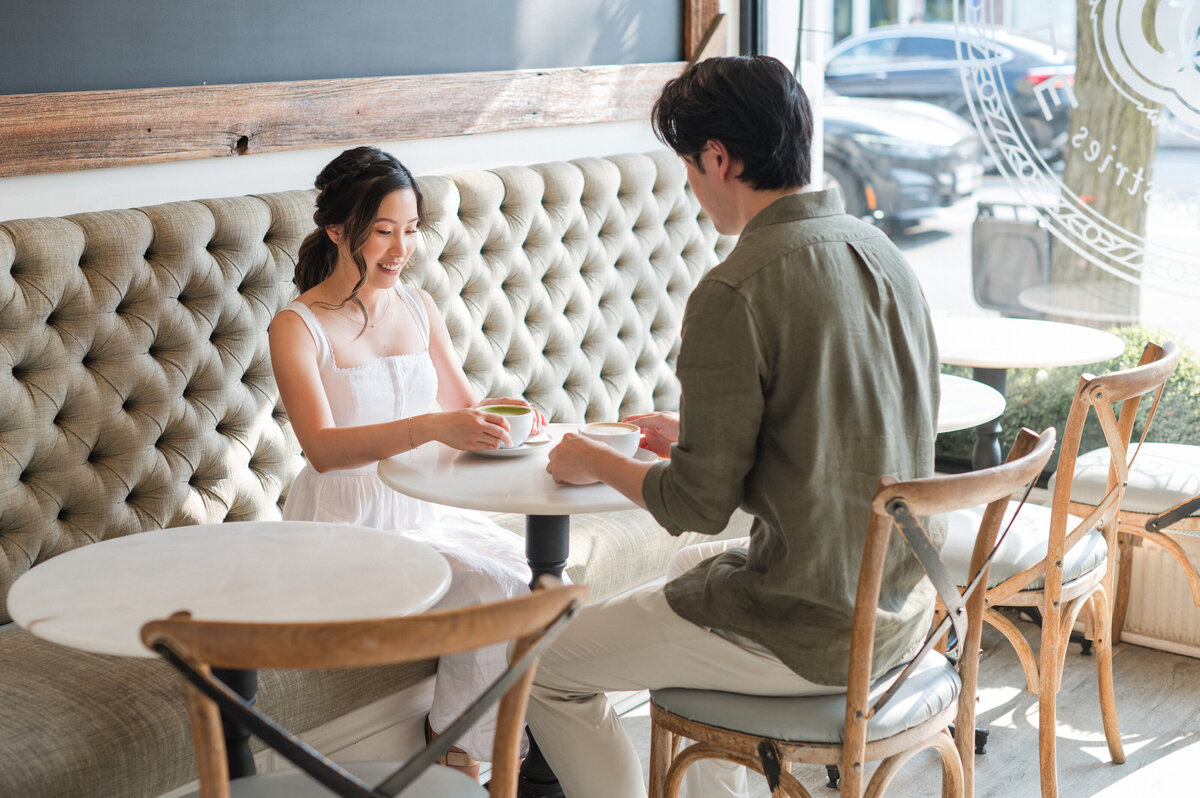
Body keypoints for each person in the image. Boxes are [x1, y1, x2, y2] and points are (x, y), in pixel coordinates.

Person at [526, 56, 941, 798]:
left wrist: (596, 458)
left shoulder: (735, 288)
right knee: (690, 578)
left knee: (544, 665)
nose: (692, 183)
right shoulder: (882, 254)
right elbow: (841, 431)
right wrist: (696, 432)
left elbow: (694, 507)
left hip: (811, 631)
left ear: (718, 158)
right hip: (902, 610)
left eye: (689, 164)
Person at [269, 146, 540, 780]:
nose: (401, 248)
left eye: (412, 230)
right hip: (344, 530)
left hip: (423, 515)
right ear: (338, 231)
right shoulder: (298, 326)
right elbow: (323, 449)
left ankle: (476, 753)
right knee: (498, 590)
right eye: (383, 231)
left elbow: (464, 411)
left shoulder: (417, 306)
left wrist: (510, 422)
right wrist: (432, 427)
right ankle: (465, 759)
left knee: (532, 581)